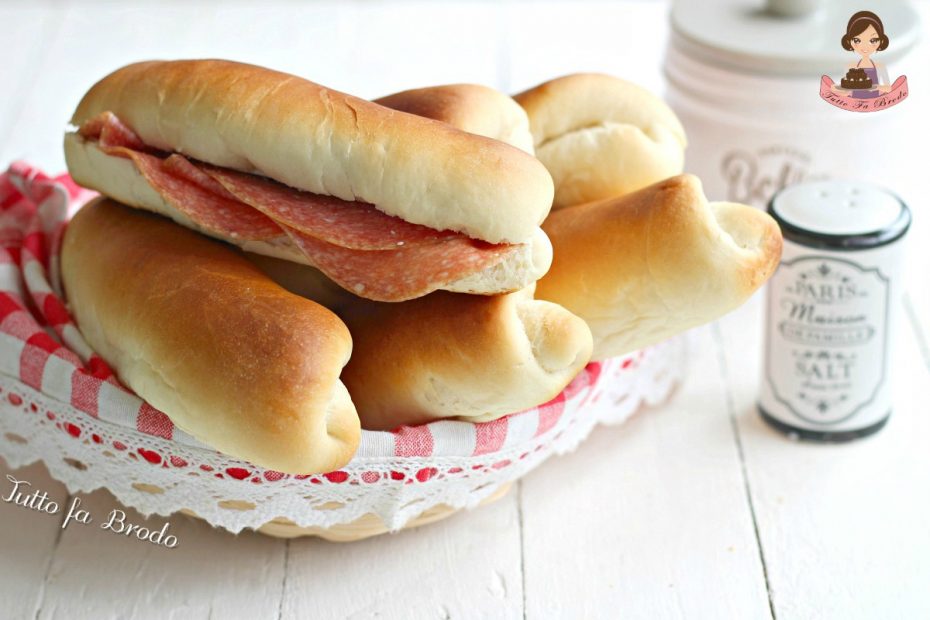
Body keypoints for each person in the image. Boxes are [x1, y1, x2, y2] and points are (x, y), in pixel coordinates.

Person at [833, 11, 891, 99]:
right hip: (855, 105)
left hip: (874, 103)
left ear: (881, 41)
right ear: (849, 41)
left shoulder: (879, 65)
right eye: (857, 40)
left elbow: (888, 88)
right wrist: (835, 88)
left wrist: (876, 87)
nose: (864, 46)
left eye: (873, 40)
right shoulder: (850, 66)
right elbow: (846, 91)